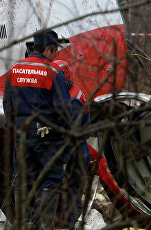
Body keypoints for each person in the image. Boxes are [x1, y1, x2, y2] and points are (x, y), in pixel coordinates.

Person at [2, 29, 74, 229]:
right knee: (51, 178)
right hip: (47, 133)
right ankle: (44, 225)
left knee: (22, 175)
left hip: (22, 132)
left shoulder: (15, 69)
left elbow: (7, 103)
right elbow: (63, 110)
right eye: (55, 51)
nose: (56, 55)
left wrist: (13, 126)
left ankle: (23, 223)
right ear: (49, 50)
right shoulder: (53, 72)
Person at [54, 60, 92, 230]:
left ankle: (71, 225)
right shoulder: (70, 92)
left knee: (73, 191)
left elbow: (71, 131)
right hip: (76, 147)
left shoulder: (73, 99)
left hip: (76, 149)